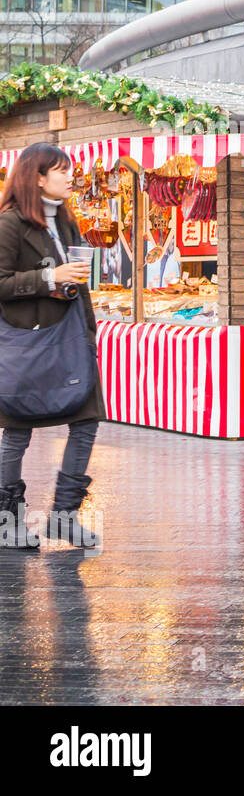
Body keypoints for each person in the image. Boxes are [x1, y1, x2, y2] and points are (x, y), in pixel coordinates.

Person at [0, 143, 105, 551]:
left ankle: (64, 517)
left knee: (86, 420)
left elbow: (72, 280)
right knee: (16, 431)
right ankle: (7, 522)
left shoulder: (65, 221)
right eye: (63, 170)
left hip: (70, 338)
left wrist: (88, 328)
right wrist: (48, 279)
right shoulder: (9, 224)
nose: (70, 177)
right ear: (37, 176)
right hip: (27, 344)